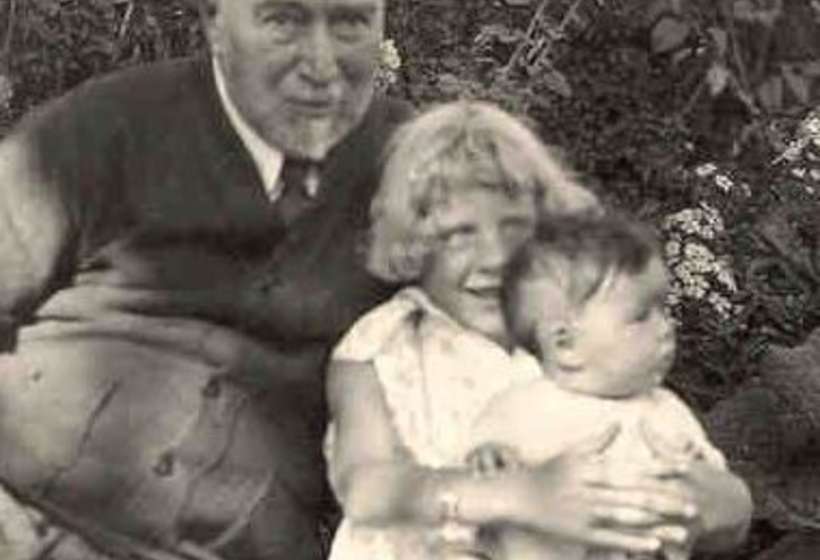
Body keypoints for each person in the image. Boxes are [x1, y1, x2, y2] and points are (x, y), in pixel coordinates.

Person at [0, 0, 412, 558]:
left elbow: (544, 315)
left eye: (350, 23)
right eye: (283, 21)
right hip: (25, 517)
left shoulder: (416, 169)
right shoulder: (109, 126)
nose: (321, 62)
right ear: (216, 24)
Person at [323, 100, 752, 560]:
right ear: (414, 241)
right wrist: (522, 496)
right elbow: (366, 488)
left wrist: (697, 502)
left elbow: (732, 510)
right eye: (459, 235)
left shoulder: (587, 335)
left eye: (514, 227)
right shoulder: (385, 347)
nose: (494, 257)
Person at [469, 213, 745, 559]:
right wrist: (492, 462)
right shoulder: (519, 410)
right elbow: (472, 496)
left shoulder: (666, 410)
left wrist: (693, 481)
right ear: (564, 344)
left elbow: (716, 496)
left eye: (663, 309)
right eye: (641, 316)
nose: (666, 327)